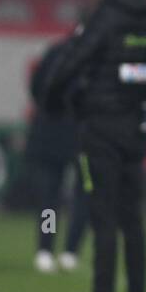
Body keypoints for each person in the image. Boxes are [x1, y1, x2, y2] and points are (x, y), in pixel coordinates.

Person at [41, 0, 146, 292]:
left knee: (103, 214)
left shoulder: (106, 18)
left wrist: (52, 99)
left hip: (100, 128)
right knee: (132, 217)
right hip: (134, 130)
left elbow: (73, 60)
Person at [27, 34, 91, 272]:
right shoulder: (102, 56)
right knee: (84, 194)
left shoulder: (56, 52)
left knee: (50, 198)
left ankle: (46, 250)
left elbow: (36, 88)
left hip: (51, 134)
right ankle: (69, 252)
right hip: (84, 137)